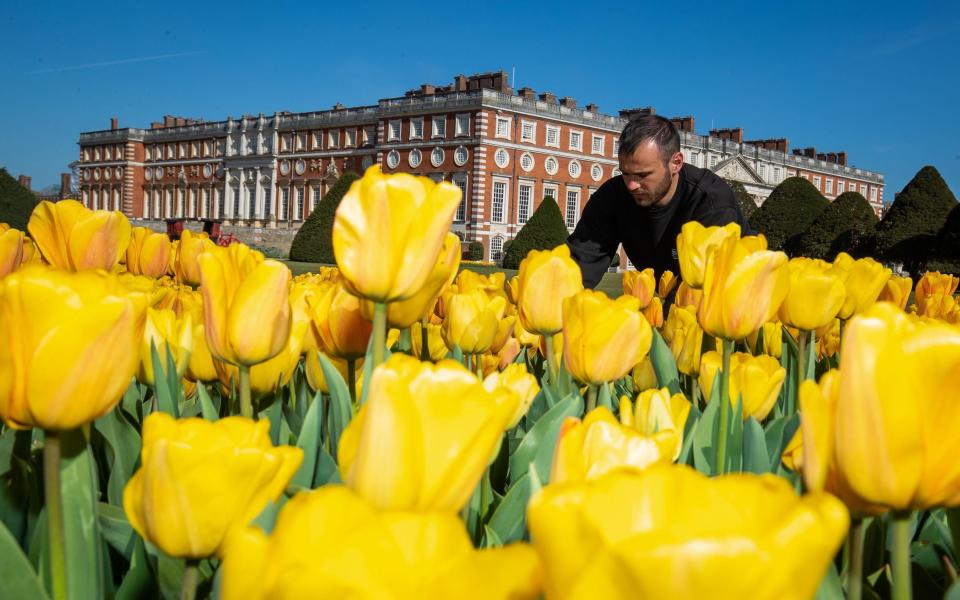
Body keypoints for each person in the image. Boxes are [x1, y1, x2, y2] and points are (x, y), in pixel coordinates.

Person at [566, 114, 752, 289]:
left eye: (642, 175)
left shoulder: (710, 200)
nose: (631, 185)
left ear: (676, 163)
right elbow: (578, 266)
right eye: (625, 173)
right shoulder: (612, 196)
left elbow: (711, 287)